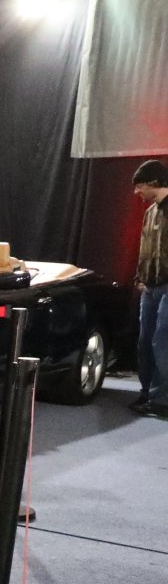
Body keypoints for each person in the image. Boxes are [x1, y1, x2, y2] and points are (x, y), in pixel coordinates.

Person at [131, 159, 168, 418]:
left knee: (162, 341)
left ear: (154, 182)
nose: (137, 192)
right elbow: (145, 248)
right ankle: (148, 393)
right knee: (145, 341)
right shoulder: (150, 212)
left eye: (140, 186)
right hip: (150, 286)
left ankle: (162, 399)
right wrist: (139, 277)